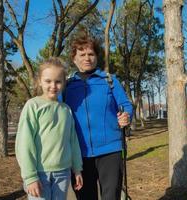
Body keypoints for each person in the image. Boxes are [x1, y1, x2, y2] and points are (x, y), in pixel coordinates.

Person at [63, 35, 133, 200]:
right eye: (82, 54)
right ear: (74, 59)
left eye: (91, 54)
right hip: (79, 153)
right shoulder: (66, 86)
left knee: (111, 197)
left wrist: (126, 115)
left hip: (111, 150)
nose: (87, 58)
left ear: (96, 57)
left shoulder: (110, 81)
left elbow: (126, 105)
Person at [15, 58, 83, 200]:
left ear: (64, 83)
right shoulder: (33, 106)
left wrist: (77, 169)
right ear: (39, 81)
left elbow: (73, 141)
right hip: (39, 173)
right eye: (48, 81)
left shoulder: (66, 109)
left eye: (58, 81)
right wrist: (30, 176)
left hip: (63, 173)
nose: (53, 86)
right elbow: (24, 143)